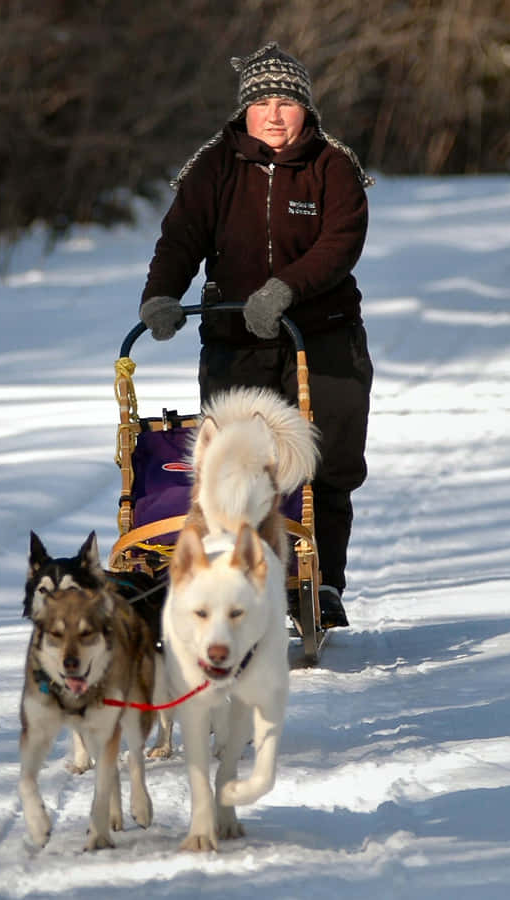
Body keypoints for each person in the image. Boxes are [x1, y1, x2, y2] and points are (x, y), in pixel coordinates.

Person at [139, 42, 374, 629]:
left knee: (327, 462)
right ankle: (240, 577)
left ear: (306, 110)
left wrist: (287, 289)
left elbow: (339, 244)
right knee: (235, 465)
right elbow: (181, 240)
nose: (274, 115)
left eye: (286, 103)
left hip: (322, 339)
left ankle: (322, 583)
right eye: (263, 101)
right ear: (244, 110)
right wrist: (162, 295)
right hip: (235, 340)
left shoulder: (333, 166)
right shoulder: (213, 167)